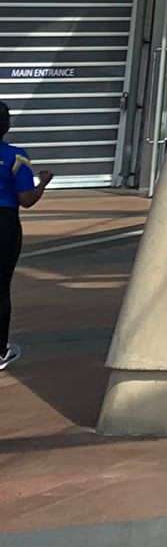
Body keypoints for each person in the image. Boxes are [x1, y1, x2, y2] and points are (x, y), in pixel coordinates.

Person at [0, 100, 53, 371]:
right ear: (6, 126)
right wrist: (42, 182)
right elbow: (26, 199)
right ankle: (0, 351)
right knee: (1, 287)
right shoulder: (16, 157)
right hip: (4, 224)